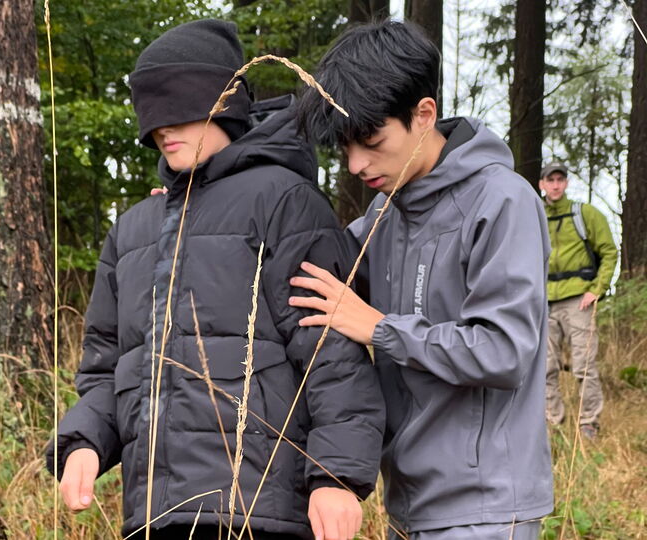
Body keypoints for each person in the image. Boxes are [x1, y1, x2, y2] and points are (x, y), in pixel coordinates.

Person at [46, 19, 385, 540]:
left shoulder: (283, 202)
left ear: (222, 102)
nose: (162, 129)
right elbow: (108, 367)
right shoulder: (134, 230)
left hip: (259, 510)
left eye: (178, 109)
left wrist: (337, 477)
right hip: (154, 513)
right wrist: (84, 442)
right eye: (152, 115)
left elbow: (331, 357)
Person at [291, 20, 553, 540]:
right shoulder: (383, 215)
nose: (357, 164)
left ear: (423, 113)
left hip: (485, 510)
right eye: (345, 147)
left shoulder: (503, 200)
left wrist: (381, 328)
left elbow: (504, 351)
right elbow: (311, 270)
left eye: (371, 140)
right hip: (407, 506)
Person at [538, 161, 617, 440]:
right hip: (544, 302)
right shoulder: (534, 217)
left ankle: (589, 424)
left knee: (584, 365)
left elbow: (609, 251)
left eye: (560, 179)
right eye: (551, 180)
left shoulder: (584, 214)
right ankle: (552, 424)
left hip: (579, 301)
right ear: (542, 185)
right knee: (544, 367)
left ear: (566, 183)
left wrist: (597, 288)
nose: (556, 185)